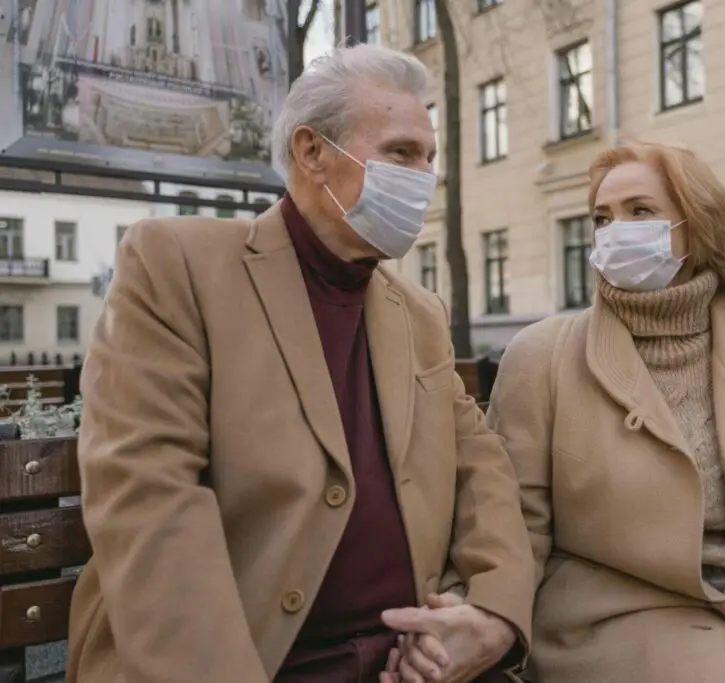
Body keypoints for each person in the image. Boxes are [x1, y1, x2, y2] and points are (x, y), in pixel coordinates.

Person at [65, 44, 534, 683]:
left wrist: (495, 616)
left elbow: (481, 468)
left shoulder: (418, 313)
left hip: (409, 661)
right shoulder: (178, 263)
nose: (424, 176)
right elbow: (149, 498)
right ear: (313, 153)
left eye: (429, 159)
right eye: (400, 153)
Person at [395, 142, 725, 682]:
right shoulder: (542, 355)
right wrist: (482, 613)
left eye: (640, 212)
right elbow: (511, 521)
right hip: (610, 634)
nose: (615, 230)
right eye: (603, 217)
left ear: (697, 227)